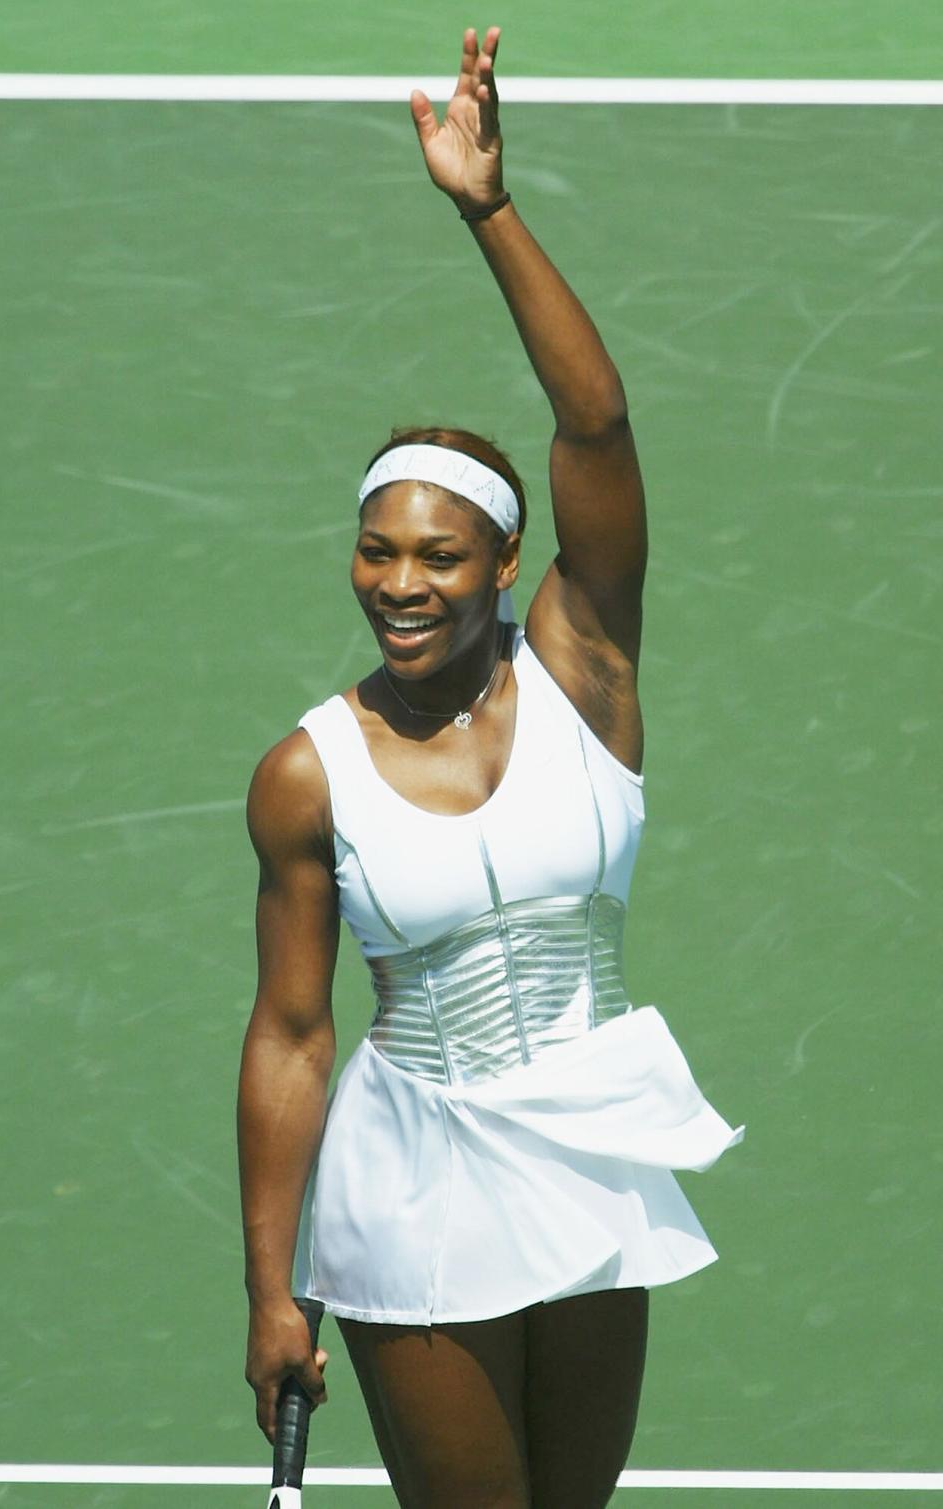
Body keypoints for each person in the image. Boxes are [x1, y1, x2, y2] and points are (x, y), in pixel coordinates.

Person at [238, 26, 742, 1509]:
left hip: (590, 1141)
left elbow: (596, 418)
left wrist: (487, 208)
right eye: (378, 550)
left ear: (505, 563)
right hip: (416, 1171)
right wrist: (275, 1287)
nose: (402, 581)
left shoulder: (585, 669)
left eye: (440, 554)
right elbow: (288, 1033)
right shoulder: (306, 774)